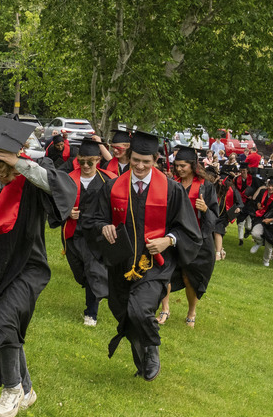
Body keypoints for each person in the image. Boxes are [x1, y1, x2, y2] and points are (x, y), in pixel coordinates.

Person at [0, 116, 75, 417]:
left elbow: (65, 189)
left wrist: (20, 164)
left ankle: (11, 390)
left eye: (6, 163)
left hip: (27, 268)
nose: (0, 170)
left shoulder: (30, 182)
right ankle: (27, 388)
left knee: (2, 322)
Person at [79, 130, 201, 381]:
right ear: (129, 156)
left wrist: (168, 240)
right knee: (123, 311)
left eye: (146, 161)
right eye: (136, 160)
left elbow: (188, 229)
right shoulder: (113, 186)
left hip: (154, 264)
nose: (140, 166)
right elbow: (92, 219)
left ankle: (151, 349)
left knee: (141, 310)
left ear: (156, 160)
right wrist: (104, 226)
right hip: (120, 262)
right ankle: (142, 357)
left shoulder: (171, 190)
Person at [158, 146, 219, 327]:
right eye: (177, 165)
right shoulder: (172, 184)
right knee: (165, 272)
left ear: (193, 165)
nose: (179, 169)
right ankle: (165, 309)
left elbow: (215, 216)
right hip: (174, 236)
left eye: (183, 165)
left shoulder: (206, 187)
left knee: (190, 277)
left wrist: (205, 209)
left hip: (197, 239)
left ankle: (191, 312)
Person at [61, 135, 113, 327]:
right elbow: (55, 204)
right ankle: (96, 289)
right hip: (74, 234)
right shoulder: (68, 179)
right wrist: (67, 213)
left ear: (98, 160)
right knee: (80, 273)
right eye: (81, 161)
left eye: (90, 162)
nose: (85, 166)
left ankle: (91, 313)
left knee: (93, 271)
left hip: (96, 235)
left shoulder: (108, 181)